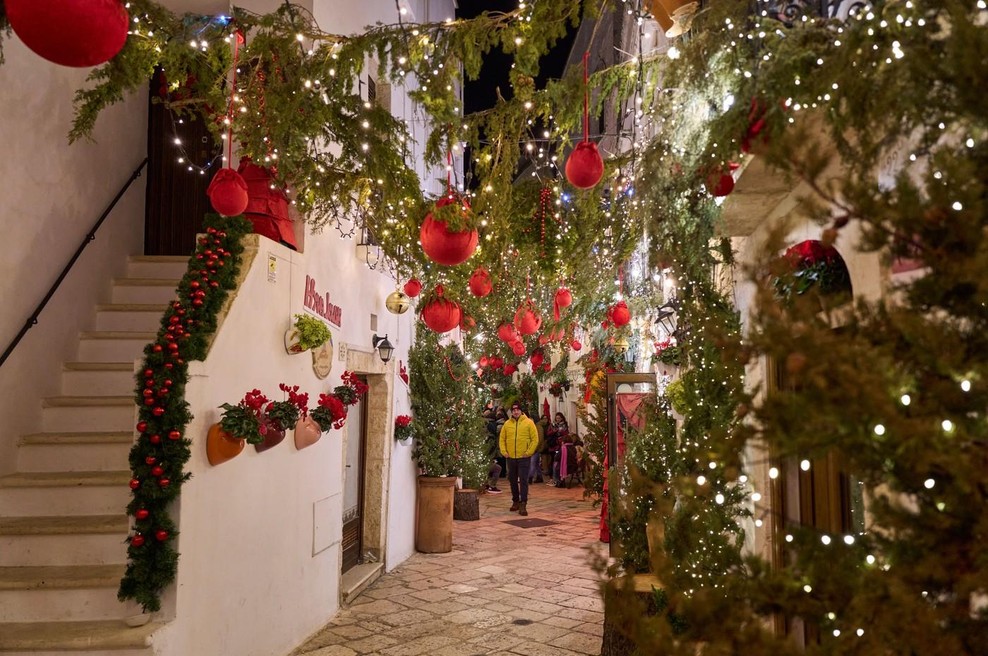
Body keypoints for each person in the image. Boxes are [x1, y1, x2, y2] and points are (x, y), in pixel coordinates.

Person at [498, 402, 539, 516]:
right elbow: (502, 439)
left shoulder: (529, 423)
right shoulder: (507, 424)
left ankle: (523, 503)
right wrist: (504, 452)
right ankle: (515, 501)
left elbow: (534, 439)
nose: (516, 412)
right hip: (510, 457)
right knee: (512, 480)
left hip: (523, 457)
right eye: (514, 410)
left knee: (523, 481)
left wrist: (528, 452)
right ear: (511, 411)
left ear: (521, 411)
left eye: (517, 410)